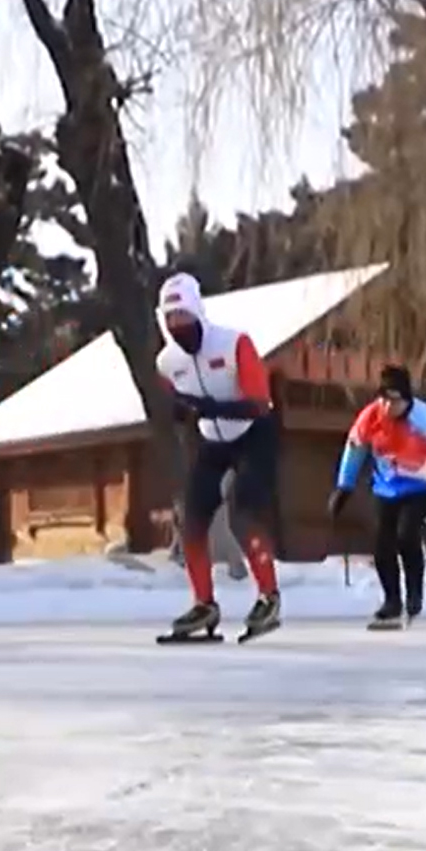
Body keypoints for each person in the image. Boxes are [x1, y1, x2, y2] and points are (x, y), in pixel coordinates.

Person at [155, 271, 284, 642]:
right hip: (212, 440)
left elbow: (260, 404)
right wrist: (180, 412)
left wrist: (207, 407)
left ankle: (269, 595)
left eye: (184, 316)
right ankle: (204, 603)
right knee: (191, 518)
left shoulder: (233, 344)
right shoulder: (167, 362)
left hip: (254, 434)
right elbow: (176, 405)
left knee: (242, 511)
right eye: (171, 319)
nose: (178, 325)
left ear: (199, 312)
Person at [329, 364, 426, 628]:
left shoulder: (425, 419)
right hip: (386, 487)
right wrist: (344, 487)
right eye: (384, 399)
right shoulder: (371, 417)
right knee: (381, 543)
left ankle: (414, 593)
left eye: (395, 400)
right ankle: (392, 601)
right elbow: (355, 449)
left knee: (406, 535)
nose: (388, 406)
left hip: (420, 486)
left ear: (407, 400)